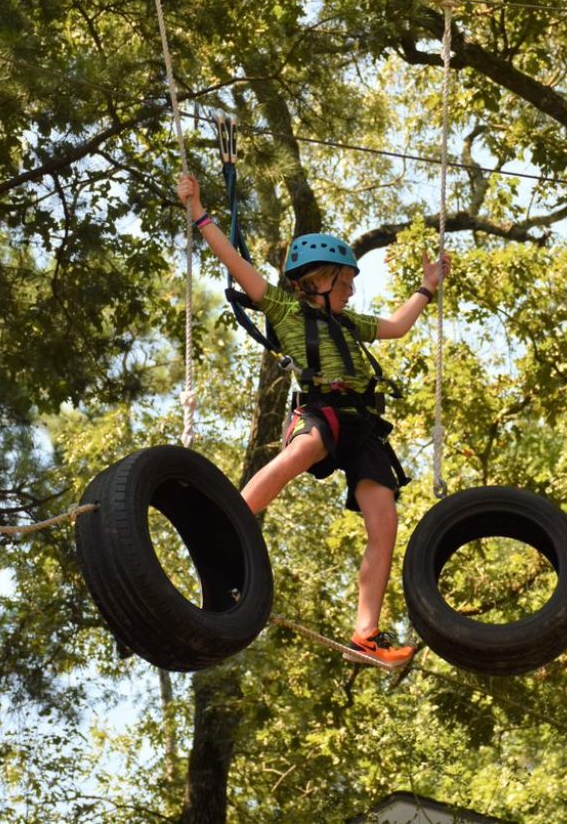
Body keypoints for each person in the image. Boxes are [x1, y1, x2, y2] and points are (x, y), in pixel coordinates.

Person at [177, 173, 450, 668]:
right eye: (343, 283)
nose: (350, 291)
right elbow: (236, 264)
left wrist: (427, 287)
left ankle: (366, 633)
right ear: (314, 283)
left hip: (364, 426)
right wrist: (198, 212)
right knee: (302, 451)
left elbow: (397, 325)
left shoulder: (349, 323)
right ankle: (226, 522)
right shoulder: (284, 308)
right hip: (321, 411)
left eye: (350, 284)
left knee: (385, 520)